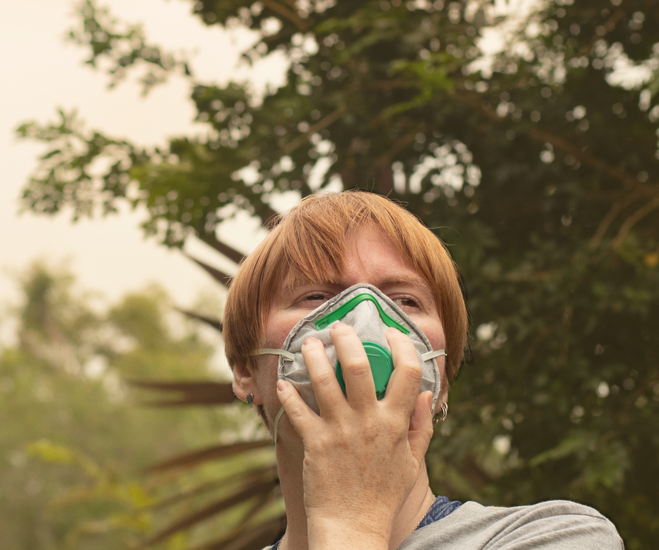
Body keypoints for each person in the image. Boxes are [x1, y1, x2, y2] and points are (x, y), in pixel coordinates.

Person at [222, 191, 623, 550]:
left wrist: (351, 520)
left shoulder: (557, 538)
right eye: (315, 295)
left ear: (442, 377)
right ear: (244, 368)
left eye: (406, 301)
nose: (366, 323)